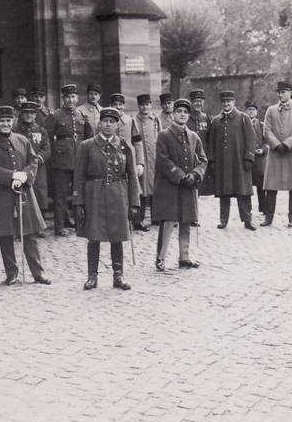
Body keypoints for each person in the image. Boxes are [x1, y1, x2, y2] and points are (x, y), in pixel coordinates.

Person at [0, 106, 52, 285]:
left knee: (29, 233)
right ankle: (12, 273)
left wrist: (25, 175)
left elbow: (33, 161)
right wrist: (11, 175)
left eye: (8, 120)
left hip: (23, 193)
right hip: (1, 195)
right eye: (2, 121)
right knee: (5, 234)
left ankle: (38, 273)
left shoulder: (22, 140)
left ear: (13, 121)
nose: (5, 124)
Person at [73, 107, 141, 291]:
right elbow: (79, 176)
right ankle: (92, 276)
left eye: (112, 121)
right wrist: (79, 202)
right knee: (93, 236)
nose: (108, 125)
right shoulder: (87, 146)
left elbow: (132, 176)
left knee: (117, 236)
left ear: (117, 124)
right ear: (99, 123)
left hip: (118, 195)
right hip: (94, 194)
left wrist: (134, 202)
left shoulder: (125, 146)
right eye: (105, 121)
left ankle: (118, 276)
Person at [153, 98, 208, 271]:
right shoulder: (164, 135)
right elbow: (163, 160)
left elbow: (203, 160)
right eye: (179, 112)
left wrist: (195, 174)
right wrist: (180, 175)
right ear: (174, 114)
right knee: (168, 221)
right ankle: (160, 258)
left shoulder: (194, 136)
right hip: (169, 186)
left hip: (188, 186)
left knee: (186, 220)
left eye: (185, 112)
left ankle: (184, 257)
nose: (182, 115)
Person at [45, 84, 93, 235]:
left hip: (79, 159)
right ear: (63, 99)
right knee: (60, 195)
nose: (70, 100)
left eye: (73, 97)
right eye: (67, 97)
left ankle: (80, 224)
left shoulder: (81, 116)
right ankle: (59, 227)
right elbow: (47, 137)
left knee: (79, 194)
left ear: (77, 98)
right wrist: (55, 153)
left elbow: (89, 137)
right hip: (61, 161)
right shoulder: (55, 115)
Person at [209, 90, 257, 230]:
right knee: (224, 193)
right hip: (223, 164)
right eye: (224, 101)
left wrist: (249, 157)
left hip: (240, 163)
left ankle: (247, 220)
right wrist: (212, 161)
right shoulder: (216, 120)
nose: (226, 104)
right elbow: (211, 143)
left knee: (243, 192)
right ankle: (223, 220)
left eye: (229, 101)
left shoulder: (243, 118)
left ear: (234, 102)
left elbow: (251, 139)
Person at [261, 81, 292, 227]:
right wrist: (276, 144)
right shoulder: (271, 110)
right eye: (279, 92)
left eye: (284, 92)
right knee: (271, 187)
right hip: (275, 153)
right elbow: (266, 130)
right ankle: (269, 217)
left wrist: (287, 144)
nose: (281, 95)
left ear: (290, 93)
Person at [14, 101, 51, 238]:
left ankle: (39, 227)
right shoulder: (16, 131)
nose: (29, 115)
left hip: (38, 168)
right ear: (21, 114)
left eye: (31, 113)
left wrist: (38, 159)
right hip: (22, 167)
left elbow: (46, 148)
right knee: (21, 195)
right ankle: (21, 228)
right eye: (26, 113)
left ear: (35, 115)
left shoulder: (41, 130)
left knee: (39, 195)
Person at [133, 93, 161, 230]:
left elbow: (160, 137)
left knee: (154, 187)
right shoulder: (134, 120)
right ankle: (139, 219)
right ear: (139, 106)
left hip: (154, 158)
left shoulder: (155, 119)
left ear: (150, 105)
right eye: (142, 105)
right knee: (142, 189)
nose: (145, 107)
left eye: (147, 104)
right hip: (141, 159)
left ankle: (156, 217)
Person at [245, 101, 271, 218]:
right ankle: (247, 209)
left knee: (261, 185)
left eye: (253, 110)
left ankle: (263, 208)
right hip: (247, 159)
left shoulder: (261, 125)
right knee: (247, 185)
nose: (251, 112)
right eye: (249, 109)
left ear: (256, 112)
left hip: (260, 160)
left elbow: (267, 142)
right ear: (246, 111)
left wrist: (263, 149)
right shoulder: (243, 124)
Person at [187, 89, 214, 197]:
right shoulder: (187, 117)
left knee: (204, 190)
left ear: (203, 102)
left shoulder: (206, 118)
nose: (198, 103)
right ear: (192, 103)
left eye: (200, 101)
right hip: (190, 155)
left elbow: (210, 138)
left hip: (204, 156)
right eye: (195, 101)